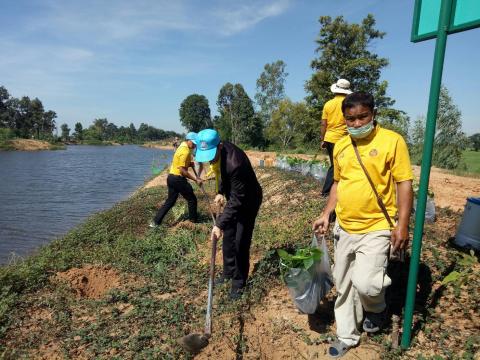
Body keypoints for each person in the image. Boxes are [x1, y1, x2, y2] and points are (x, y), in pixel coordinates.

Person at [312, 92, 413, 358]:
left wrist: (402, 225)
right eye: (350, 119)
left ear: (373, 114)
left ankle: (377, 309)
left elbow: (404, 182)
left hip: (378, 225)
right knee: (343, 283)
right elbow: (337, 183)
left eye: (362, 117)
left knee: (367, 283)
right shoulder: (342, 146)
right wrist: (327, 213)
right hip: (345, 225)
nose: (356, 124)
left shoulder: (392, 141)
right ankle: (347, 335)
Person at [195, 129, 262, 300]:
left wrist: (218, 224)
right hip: (235, 196)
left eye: (210, 154)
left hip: (248, 201)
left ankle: (239, 282)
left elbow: (237, 202)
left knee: (240, 241)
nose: (209, 159)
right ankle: (228, 272)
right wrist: (220, 191)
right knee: (228, 237)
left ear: (219, 146)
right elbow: (223, 175)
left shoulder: (235, 163)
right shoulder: (222, 151)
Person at [150, 132, 202, 227]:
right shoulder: (185, 151)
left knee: (170, 201)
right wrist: (195, 179)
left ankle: (155, 222)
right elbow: (182, 171)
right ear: (188, 140)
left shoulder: (182, 147)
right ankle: (193, 222)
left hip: (171, 178)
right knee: (192, 199)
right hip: (178, 179)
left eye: (195, 144)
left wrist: (188, 164)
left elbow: (179, 163)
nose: (194, 145)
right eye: (193, 143)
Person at [320, 79, 352, 196]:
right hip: (342, 139)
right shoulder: (348, 105)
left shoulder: (328, 104)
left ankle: (335, 189)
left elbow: (324, 123)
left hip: (329, 138)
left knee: (335, 164)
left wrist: (322, 139)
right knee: (337, 165)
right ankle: (327, 191)